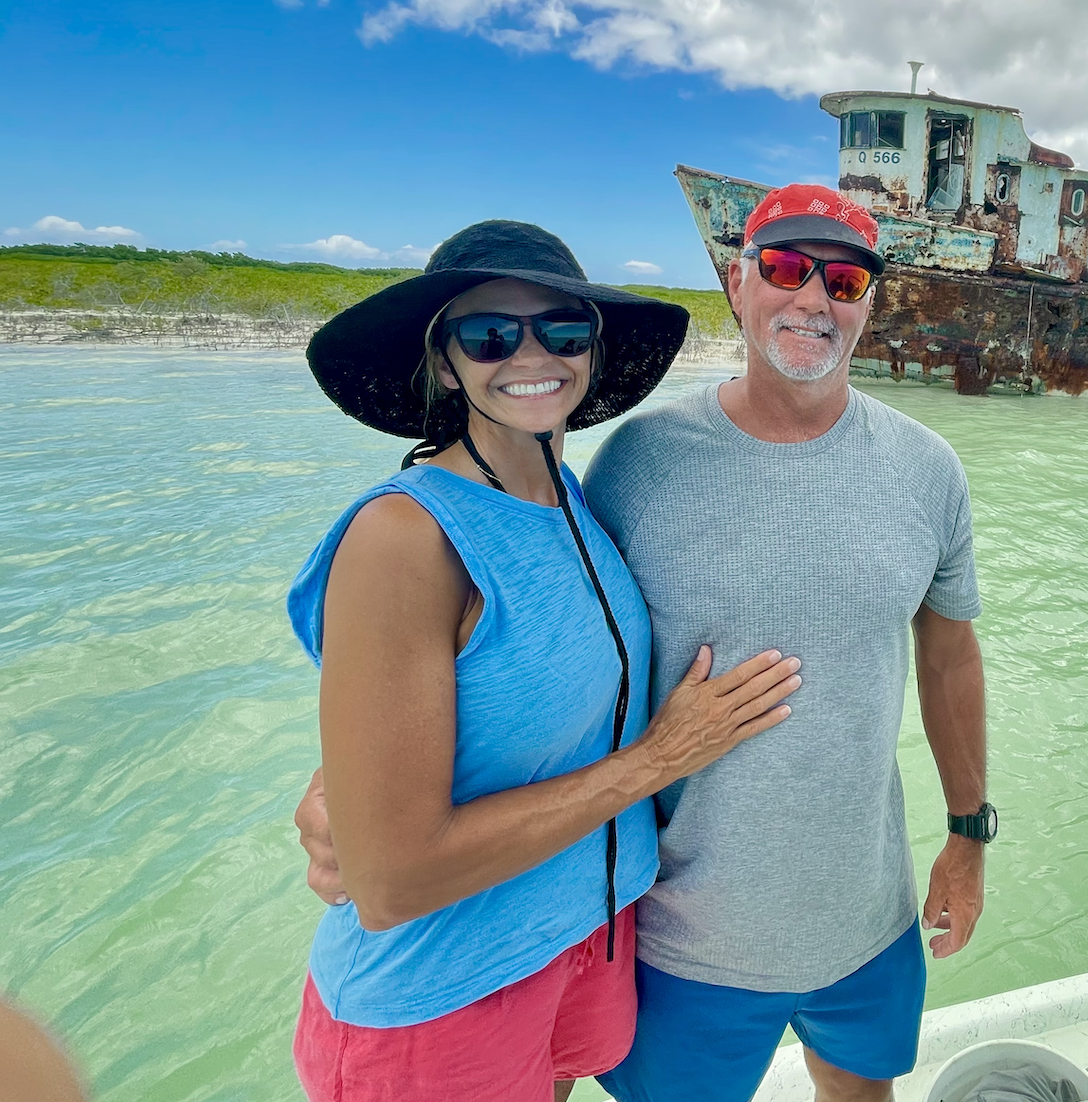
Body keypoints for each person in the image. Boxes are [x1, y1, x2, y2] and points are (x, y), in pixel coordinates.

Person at [301, 186, 992, 1102]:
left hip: (641, 935)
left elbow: (556, 669)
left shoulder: (567, 506)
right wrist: (339, 796)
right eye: (490, 337)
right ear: (737, 286)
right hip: (604, 949)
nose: (812, 298)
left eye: (844, 278)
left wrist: (968, 831)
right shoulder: (619, 470)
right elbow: (406, 776)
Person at [288, 220, 802, 1102]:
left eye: (563, 332)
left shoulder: (571, 497)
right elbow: (391, 882)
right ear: (446, 362)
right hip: (444, 991)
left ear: (593, 354)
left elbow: (506, 704)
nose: (532, 355)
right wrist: (659, 762)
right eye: (491, 333)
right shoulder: (405, 537)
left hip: (586, 941)